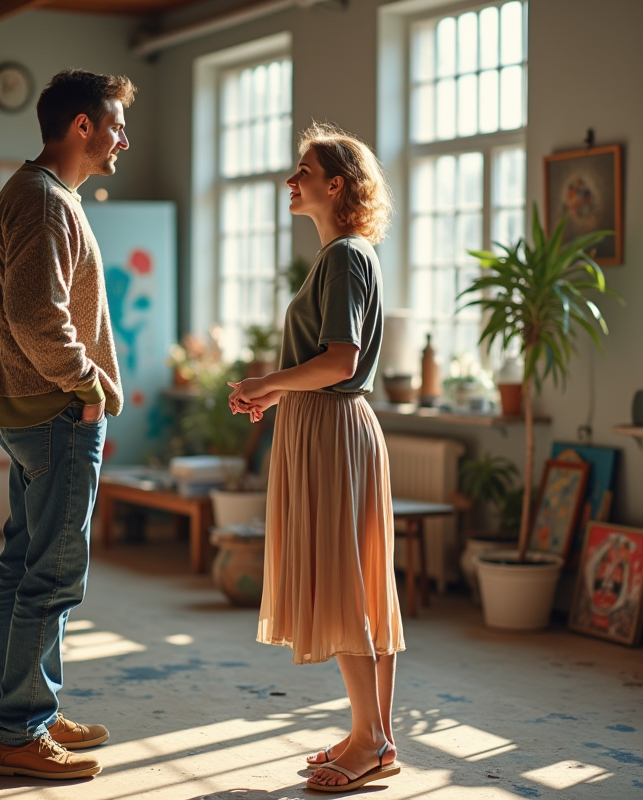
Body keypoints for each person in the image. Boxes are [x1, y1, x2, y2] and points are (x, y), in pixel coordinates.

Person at [228, 123, 402, 793]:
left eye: (302, 171)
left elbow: (341, 361)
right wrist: (275, 397)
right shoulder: (345, 255)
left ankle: (369, 738)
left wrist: (268, 384)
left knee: (346, 587)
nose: (290, 181)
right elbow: (326, 366)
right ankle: (376, 739)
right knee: (359, 584)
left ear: (335, 184)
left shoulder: (345, 258)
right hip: (331, 425)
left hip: (332, 433)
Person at [0, 68, 132, 781]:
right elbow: (39, 317)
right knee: (53, 576)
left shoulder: (41, 194)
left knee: (24, 568)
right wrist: (89, 385)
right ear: (81, 126)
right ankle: (19, 730)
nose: (121, 140)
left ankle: (32, 709)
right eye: (114, 126)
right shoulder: (44, 202)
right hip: (57, 413)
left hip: (35, 412)